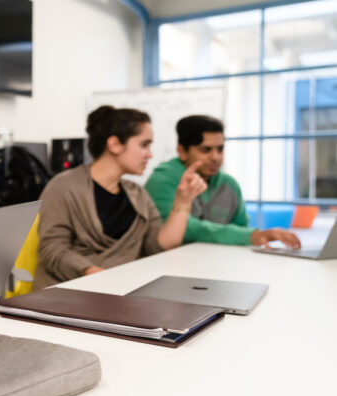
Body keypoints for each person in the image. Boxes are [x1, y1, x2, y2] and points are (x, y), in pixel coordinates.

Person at [33, 105, 207, 289]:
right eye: (144, 144)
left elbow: (159, 246)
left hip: (120, 289)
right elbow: (52, 250)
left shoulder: (137, 193)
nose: (150, 154)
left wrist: (183, 201)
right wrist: (98, 276)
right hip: (71, 292)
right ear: (115, 144)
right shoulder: (63, 186)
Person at [144, 115, 301, 249]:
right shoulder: (162, 180)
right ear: (182, 151)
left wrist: (252, 236)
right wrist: (252, 235)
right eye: (205, 150)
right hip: (169, 266)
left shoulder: (229, 184)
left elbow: (241, 228)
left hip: (220, 264)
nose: (215, 157)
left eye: (220, 149)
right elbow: (187, 230)